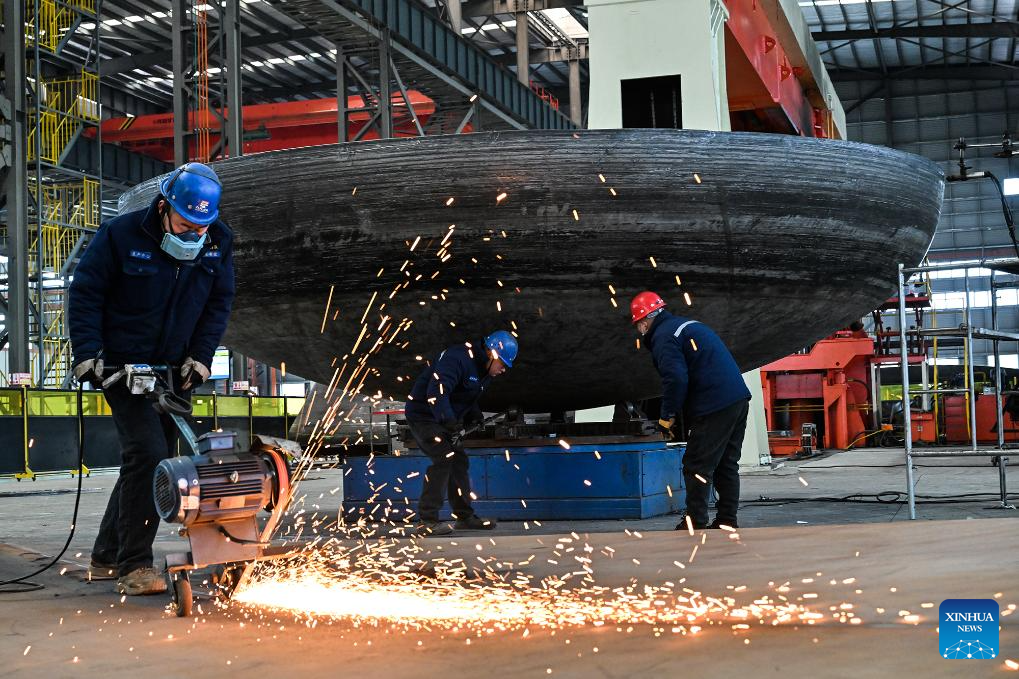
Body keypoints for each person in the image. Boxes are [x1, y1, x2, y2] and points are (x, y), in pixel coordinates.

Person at [68, 162, 235, 595]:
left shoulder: (218, 241)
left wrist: (201, 357)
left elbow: (218, 303)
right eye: (184, 225)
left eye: (200, 228)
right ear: (164, 207)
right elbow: (86, 292)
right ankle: (135, 565)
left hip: (175, 370)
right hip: (123, 368)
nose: (192, 235)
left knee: (146, 460)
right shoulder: (120, 235)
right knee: (150, 455)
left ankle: (107, 554)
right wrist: (87, 352)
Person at [630, 291, 751, 531]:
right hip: (737, 399)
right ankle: (727, 519)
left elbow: (675, 379)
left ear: (643, 322)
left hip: (714, 404)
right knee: (727, 463)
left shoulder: (663, 336)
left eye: (638, 325)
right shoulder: (685, 325)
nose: (639, 330)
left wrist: (667, 416)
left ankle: (695, 521)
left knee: (696, 464)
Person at [404, 331, 518, 536]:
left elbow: (467, 395)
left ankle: (464, 517)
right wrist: (450, 422)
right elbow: (436, 393)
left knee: (459, 461)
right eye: (503, 363)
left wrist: (475, 415)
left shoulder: (483, 370)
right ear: (491, 353)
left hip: (443, 416)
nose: (503, 370)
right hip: (423, 415)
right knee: (444, 456)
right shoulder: (457, 358)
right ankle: (427, 521)